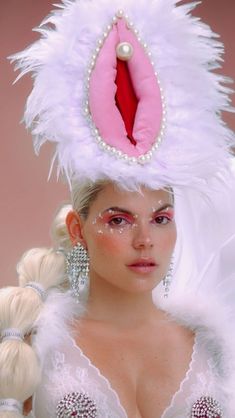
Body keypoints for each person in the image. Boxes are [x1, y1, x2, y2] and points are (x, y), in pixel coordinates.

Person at [0, 0, 235, 417]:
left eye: (161, 219)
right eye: (119, 220)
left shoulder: (214, 346)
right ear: (78, 229)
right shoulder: (32, 348)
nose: (146, 241)